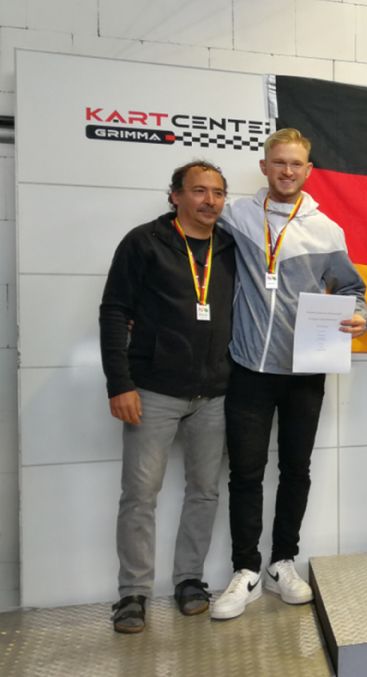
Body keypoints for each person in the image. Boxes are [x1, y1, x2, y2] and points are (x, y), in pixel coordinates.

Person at [211, 128, 367, 619]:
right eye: (278, 162)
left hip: (305, 372)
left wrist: (359, 316)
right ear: (264, 166)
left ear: (308, 170)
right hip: (249, 368)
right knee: (245, 473)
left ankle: (282, 562)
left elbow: (353, 290)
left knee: (295, 471)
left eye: (295, 164)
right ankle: (246, 570)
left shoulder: (327, 230)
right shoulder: (237, 215)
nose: (286, 171)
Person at [100, 161, 236, 633]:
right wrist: (119, 383)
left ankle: (189, 581)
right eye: (199, 191)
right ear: (175, 195)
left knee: (205, 491)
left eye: (217, 192)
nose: (209, 201)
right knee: (140, 495)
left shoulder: (230, 246)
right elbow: (114, 311)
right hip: (152, 390)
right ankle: (133, 594)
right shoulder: (144, 242)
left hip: (214, 394)